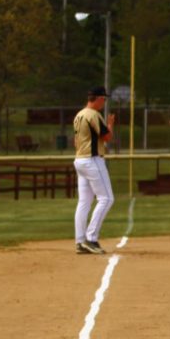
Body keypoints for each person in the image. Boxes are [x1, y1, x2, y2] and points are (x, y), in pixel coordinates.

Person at [73, 85, 115, 255]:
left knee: (84, 202)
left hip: (80, 160)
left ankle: (80, 241)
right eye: (103, 99)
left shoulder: (79, 114)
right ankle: (91, 238)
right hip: (92, 160)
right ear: (97, 98)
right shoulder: (93, 115)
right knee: (107, 198)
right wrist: (111, 125)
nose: (104, 102)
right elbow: (107, 137)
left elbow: (76, 142)